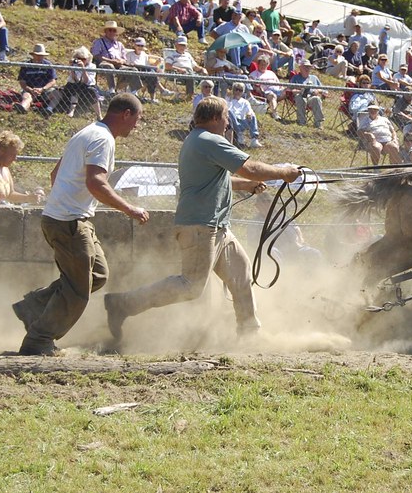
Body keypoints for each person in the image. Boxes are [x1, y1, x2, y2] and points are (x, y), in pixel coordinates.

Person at [103, 96, 300, 342]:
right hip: (202, 226)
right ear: (215, 118)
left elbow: (218, 180)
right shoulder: (209, 141)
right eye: (227, 118)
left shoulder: (197, 141)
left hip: (215, 226)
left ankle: (250, 333)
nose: (228, 124)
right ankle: (123, 304)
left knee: (241, 274)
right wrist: (284, 173)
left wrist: (247, 186)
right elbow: (249, 167)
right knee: (191, 285)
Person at [11, 94, 150, 356]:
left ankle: (34, 305)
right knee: (78, 291)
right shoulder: (103, 139)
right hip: (70, 221)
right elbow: (96, 183)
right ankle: (39, 339)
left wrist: (67, 203)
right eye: (137, 120)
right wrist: (129, 209)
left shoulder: (86, 133)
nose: (136, 126)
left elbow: (55, 175)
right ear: (125, 115)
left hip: (64, 218)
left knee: (97, 274)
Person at [91, 21, 141, 94]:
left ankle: (134, 92)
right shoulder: (99, 42)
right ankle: (112, 89)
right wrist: (111, 61)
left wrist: (121, 61)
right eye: (110, 30)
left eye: (114, 30)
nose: (112, 32)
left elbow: (124, 58)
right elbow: (96, 55)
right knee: (109, 66)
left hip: (119, 65)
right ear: (105, 31)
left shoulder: (119, 44)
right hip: (103, 64)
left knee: (133, 70)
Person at [57, 46, 103, 119]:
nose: (81, 60)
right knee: (71, 86)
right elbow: (74, 79)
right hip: (76, 85)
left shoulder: (92, 66)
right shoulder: (75, 65)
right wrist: (71, 68)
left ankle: (99, 115)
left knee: (91, 91)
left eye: (83, 59)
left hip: (87, 87)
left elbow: (86, 81)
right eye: (78, 58)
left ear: (88, 59)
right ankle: (71, 110)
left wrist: (83, 68)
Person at [13, 44, 58, 115]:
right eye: (38, 55)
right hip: (30, 90)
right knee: (26, 96)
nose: (40, 57)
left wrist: (43, 89)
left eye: (42, 55)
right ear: (33, 55)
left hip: (45, 91)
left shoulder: (48, 65)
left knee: (57, 93)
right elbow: (22, 82)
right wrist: (31, 90)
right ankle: (23, 108)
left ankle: (49, 110)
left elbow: (53, 81)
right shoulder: (26, 65)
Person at [164, 34, 206, 98]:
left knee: (206, 76)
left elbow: (195, 67)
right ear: (176, 45)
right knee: (190, 77)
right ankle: (190, 96)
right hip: (178, 73)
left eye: (184, 45)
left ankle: (205, 96)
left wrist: (203, 69)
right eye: (180, 45)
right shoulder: (172, 55)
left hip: (190, 72)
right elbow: (167, 66)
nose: (182, 47)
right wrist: (179, 69)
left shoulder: (188, 55)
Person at [289, 60, 326, 128]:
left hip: (311, 97)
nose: (307, 69)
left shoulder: (314, 78)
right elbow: (290, 89)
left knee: (316, 99)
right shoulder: (295, 77)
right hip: (300, 96)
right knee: (299, 97)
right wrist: (299, 91)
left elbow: (323, 89)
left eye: (309, 67)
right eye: (305, 67)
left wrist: (318, 91)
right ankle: (301, 121)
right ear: (300, 68)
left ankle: (318, 123)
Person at [227, 81, 262, 148]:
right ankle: (239, 134)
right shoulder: (229, 99)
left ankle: (254, 140)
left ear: (243, 92)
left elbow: (249, 110)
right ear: (233, 90)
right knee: (229, 112)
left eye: (240, 90)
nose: (238, 92)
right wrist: (230, 97)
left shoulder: (245, 102)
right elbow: (226, 109)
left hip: (242, 121)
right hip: (231, 121)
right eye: (236, 89)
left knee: (253, 115)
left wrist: (249, 113)